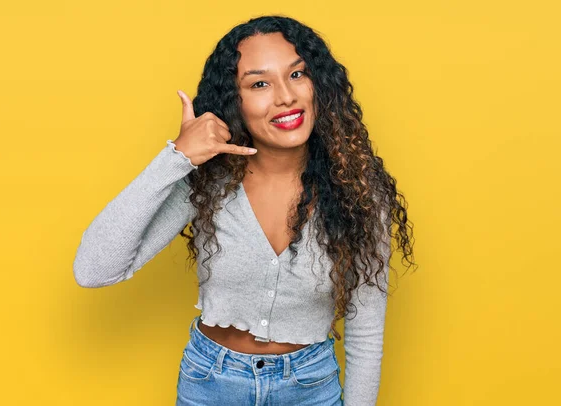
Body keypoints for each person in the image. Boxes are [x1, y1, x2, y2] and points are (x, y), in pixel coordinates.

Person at [73, 15, 416, 406]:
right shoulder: (206, 183)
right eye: (259, 84)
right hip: (210, 384)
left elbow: (366, 332)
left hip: (311, 389)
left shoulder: (358, 190)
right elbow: (93, 270)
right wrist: (176, 158)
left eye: (298, 74)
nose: (285, 96)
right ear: (233, 102)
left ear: (318, 84)